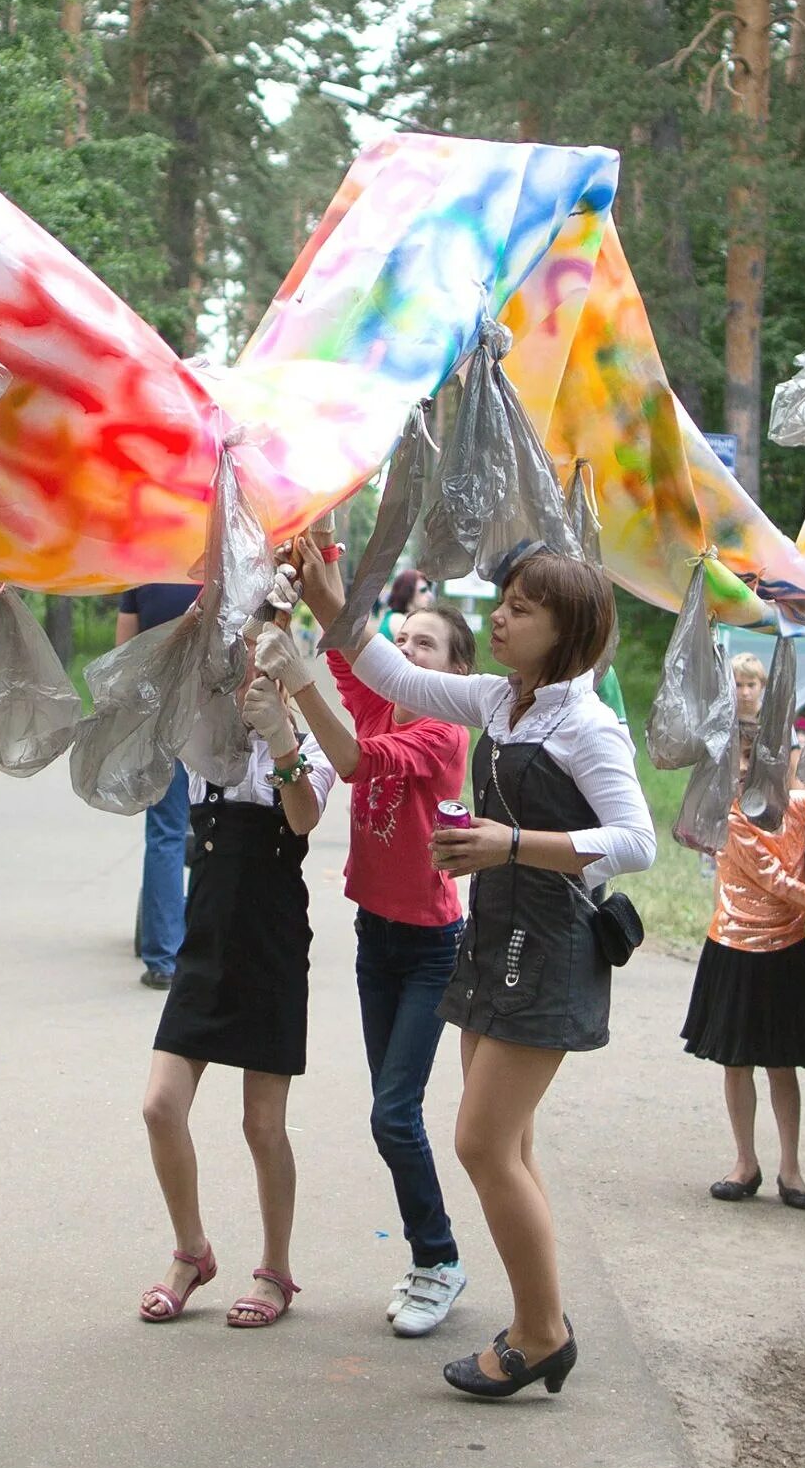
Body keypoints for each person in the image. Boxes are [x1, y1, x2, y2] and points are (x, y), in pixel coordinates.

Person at [326, 543, 655, 1397]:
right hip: (495, 937)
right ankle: (536, 1317)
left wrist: (510, 844)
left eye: (521, 608)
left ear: (567, 630)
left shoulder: (585, 724)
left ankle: (542, 1334)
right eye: (503, 601)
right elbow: (394, 676)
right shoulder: (502, 701)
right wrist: (329, 584)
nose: (500, 617)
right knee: (507, 1145)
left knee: (479, 1142)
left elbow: (635, 843)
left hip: (549, 948)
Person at [266, 569, 479, 1337]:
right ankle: (432, 1258)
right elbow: (348, 644)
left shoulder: (443, 731)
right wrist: (316, 561)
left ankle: (440, 1259)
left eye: (429, 644)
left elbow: (356, 761)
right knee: (393, 1115)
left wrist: (302, 684)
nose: (408, 647)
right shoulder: (384, 696)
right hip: (374, 938)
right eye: (406, 636)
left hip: (430, 946)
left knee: (393, 1115)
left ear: (460, 673)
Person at [133, 590, 334, 1334]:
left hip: (273, 938)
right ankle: (192, 1251)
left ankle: (276, 1268)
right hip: (205, 939)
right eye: (243, 647)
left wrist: (282, 738)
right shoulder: (205, 737)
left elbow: (305, 817)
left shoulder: (307, 738)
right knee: (160, 1106)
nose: (252, 660)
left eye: (268, 648)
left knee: (262, 1125)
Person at [688, 706, 805, 1204]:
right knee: (736, 1060)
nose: (749, 771)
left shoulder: (797, 804)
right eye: (741, 762)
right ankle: (745, 1162)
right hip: (735, 949)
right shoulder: (734, 814)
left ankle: (791, 1169)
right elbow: (778, 881)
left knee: (782, 1062)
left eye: (760, 759)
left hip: (785, 951)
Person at [118, 582, 199, 988]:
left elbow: (125, 653)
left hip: (161, 716)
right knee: (222, 828)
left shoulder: (143, 570)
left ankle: (163, 959)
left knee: (166, 832)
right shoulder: (225, 558)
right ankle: (212, 944)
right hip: (216, 713)